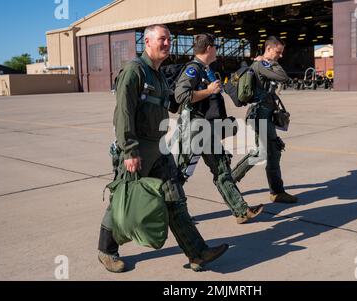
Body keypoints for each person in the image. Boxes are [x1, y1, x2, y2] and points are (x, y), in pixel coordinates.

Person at [97, 25, 228, 273]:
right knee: (122, 199)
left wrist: (195, 90)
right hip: (138, 148)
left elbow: (173, 104)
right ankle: (107, 250)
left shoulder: (158, 74)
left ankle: (197, 253)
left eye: (169, 39)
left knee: (175, 198)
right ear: (147, 41)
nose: (167, 43)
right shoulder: (134, 71)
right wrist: (129, 150)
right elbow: (123, 114)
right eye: (162, 39)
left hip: (160, 147)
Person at [175, 33, 264, 225]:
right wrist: (208, 91)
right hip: (194, 130)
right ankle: (166, 213)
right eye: (215, 46)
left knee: (222, 169)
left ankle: (241, 211)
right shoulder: (193, 69)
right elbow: (181, 95)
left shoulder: (206, 69)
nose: (216, 49)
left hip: (206, 130)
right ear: (208, 48)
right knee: (179, 174)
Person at [231, 36, 299, 204]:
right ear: (268, 49)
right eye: (278, 52)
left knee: (274, 151)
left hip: (265, 114)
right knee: (261, 152)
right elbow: (283, 77)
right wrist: (269, 61)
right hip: (260, 114)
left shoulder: (263, 64)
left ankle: (277, 192)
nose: (280, 56)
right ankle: (229, 180)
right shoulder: (262, 64)